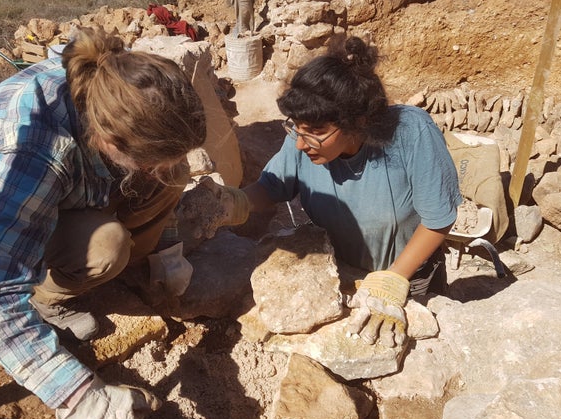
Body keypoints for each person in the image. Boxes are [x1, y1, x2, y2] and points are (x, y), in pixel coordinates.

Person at [0, 27, 207, 419]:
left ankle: (129, 264)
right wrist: (85, 401)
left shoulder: (118, 81)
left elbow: (159, 168)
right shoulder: (36, 152)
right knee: (108, 245)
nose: (152, 170)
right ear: (111, 141)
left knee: (172, 172)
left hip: (77, 186)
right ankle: (46, 297)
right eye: (144, 160)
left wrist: (168, 250)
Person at [189, 36, 462, 348]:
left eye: (316, 132)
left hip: (408, 279)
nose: (302, 143)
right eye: (296, 127)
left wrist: (394, 280)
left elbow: (439, 217)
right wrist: (230, 203)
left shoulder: (411, 134)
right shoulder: (302, 139)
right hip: (343, 276)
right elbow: (270, 187)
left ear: (356, 122)